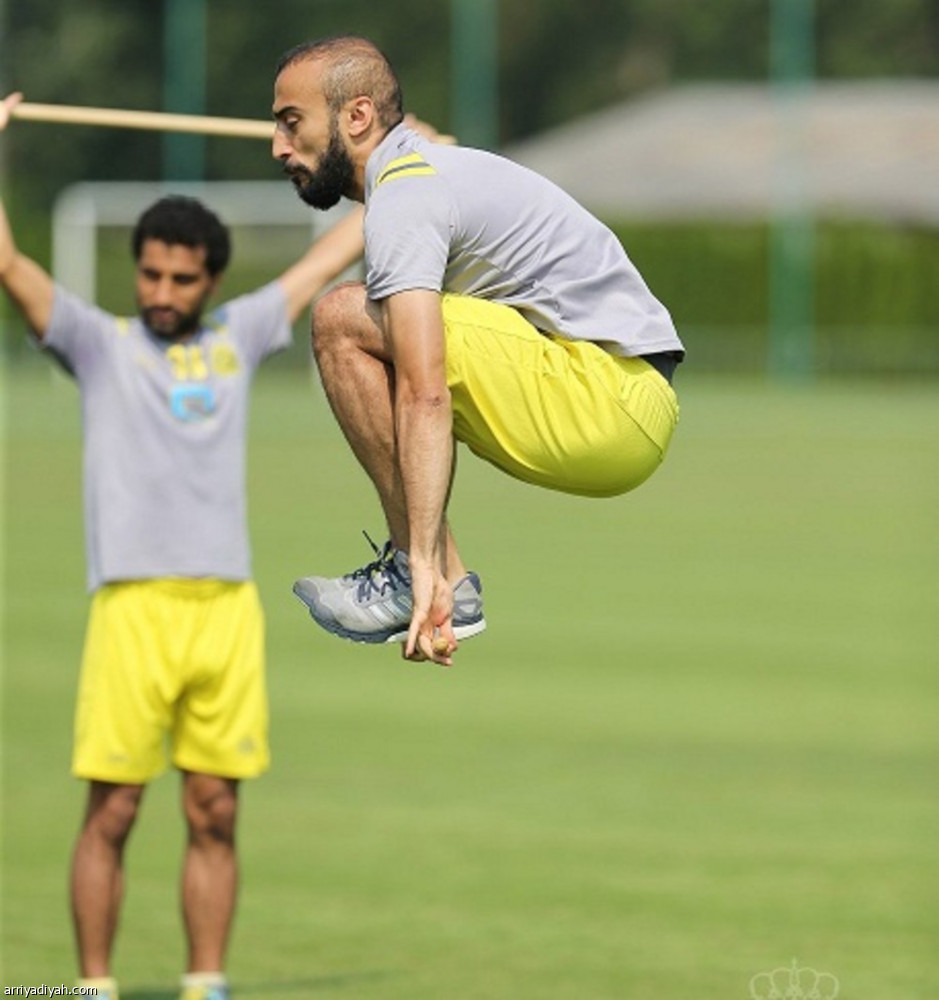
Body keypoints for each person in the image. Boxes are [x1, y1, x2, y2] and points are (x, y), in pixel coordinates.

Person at [0, 91, 366, 1000]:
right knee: (114, 810)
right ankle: (93, 989)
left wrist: (398, 159)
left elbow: (339, 245)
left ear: (211, 279)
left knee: (214, 811)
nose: (164, 293)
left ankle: (207, 986)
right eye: (152, 275)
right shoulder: (97, 344)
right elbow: (5, 260)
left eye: (182, 279)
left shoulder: (241, 334)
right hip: (132, 611)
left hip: (224, 612)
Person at [270, 36, 685, 666]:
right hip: (619, 411)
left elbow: (425, 391)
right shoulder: (412, 179)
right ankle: (446, 584)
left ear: (357, 117)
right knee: (369, 323)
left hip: (607, 397)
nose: (277, 146)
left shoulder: (408, 192)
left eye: (290, 122)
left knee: (340, 318)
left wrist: (419, 558)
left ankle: (428, 578)